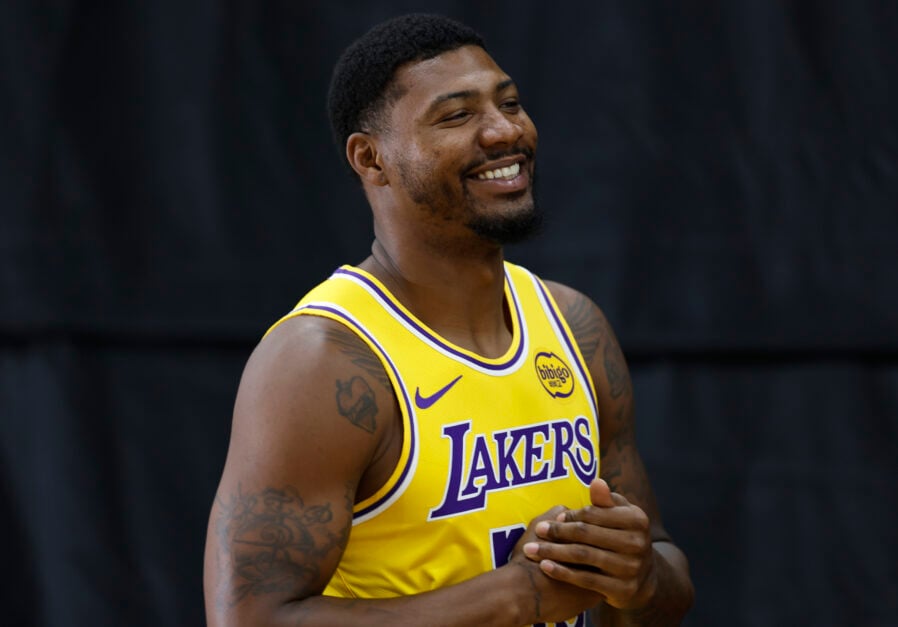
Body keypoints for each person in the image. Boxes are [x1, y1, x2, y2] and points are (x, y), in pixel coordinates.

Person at [203, 13, 693, 626]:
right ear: (370, 158)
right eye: (457, 115)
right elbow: (250, 619)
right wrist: (515, 597)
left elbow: (662, 572)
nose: (504, 130)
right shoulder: (323, 361)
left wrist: (638, 579)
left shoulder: (574, 326)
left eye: (509, 103)